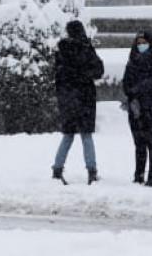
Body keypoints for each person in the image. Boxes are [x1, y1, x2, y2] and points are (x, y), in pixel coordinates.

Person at [51, 20, 105, 185]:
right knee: (86, 136)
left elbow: (59, 77)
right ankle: (91, 171)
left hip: (67, 100)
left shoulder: (61, 51)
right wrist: (84, 75)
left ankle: (57, 169)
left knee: (67, 136)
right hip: (85, 98)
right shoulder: (86, 49)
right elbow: (98, 71)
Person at [122, 30, 152, 187]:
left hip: (150, 108)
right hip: (135, 108)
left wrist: (136, 90)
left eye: (144, 42)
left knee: (151, 142)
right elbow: (126, 83)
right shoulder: (132, 61)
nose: (141, 46)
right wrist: (133, 93)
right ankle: (138, 174)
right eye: (138, 43)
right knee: (138, 143)